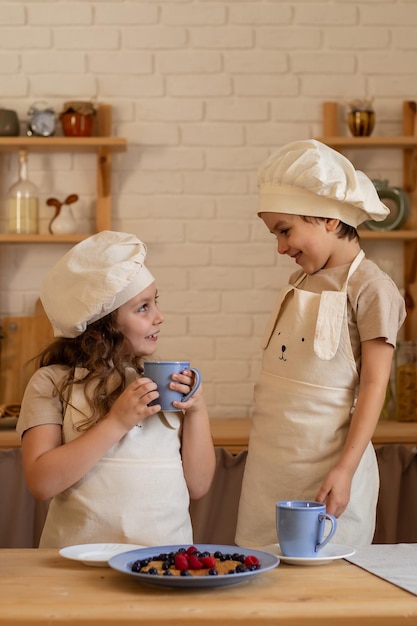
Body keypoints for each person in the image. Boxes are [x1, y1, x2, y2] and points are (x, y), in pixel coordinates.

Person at [235, 139, 406, 548]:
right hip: (270, 468)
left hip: (327, 475)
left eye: (285, 230)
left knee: (321, 588)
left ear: (330, 219)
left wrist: (345, 470)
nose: (280, 246)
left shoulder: (372, 289)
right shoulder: (299, 282)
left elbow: (373, 387)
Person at [17, 230, 216, 548]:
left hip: (163, 562)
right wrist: (116, 422)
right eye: (143, 308)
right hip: (75, 565)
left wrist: (198, 410)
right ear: (101, 328)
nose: (159, 317)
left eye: (155, 303)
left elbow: (198, 485)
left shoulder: (159, 383)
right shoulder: (51, 382)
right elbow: (41, 482)